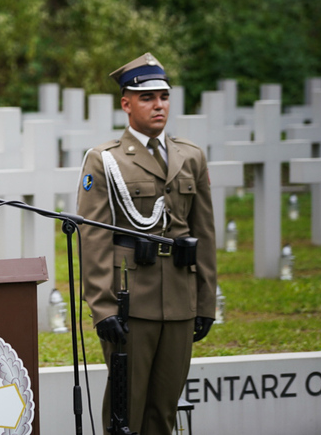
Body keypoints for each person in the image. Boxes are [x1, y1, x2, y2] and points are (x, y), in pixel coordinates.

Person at [77, 53, 217, 435]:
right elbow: (94, 238)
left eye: (164, 97)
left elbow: (203, 232)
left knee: (163, 412)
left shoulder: (190, 157)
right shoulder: (105, 160)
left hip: (180, 299)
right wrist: (103, 308)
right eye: (147, 97)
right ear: (126, 103)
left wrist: (205, 302)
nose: (158, 105)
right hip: (131, 302)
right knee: (126, 413)